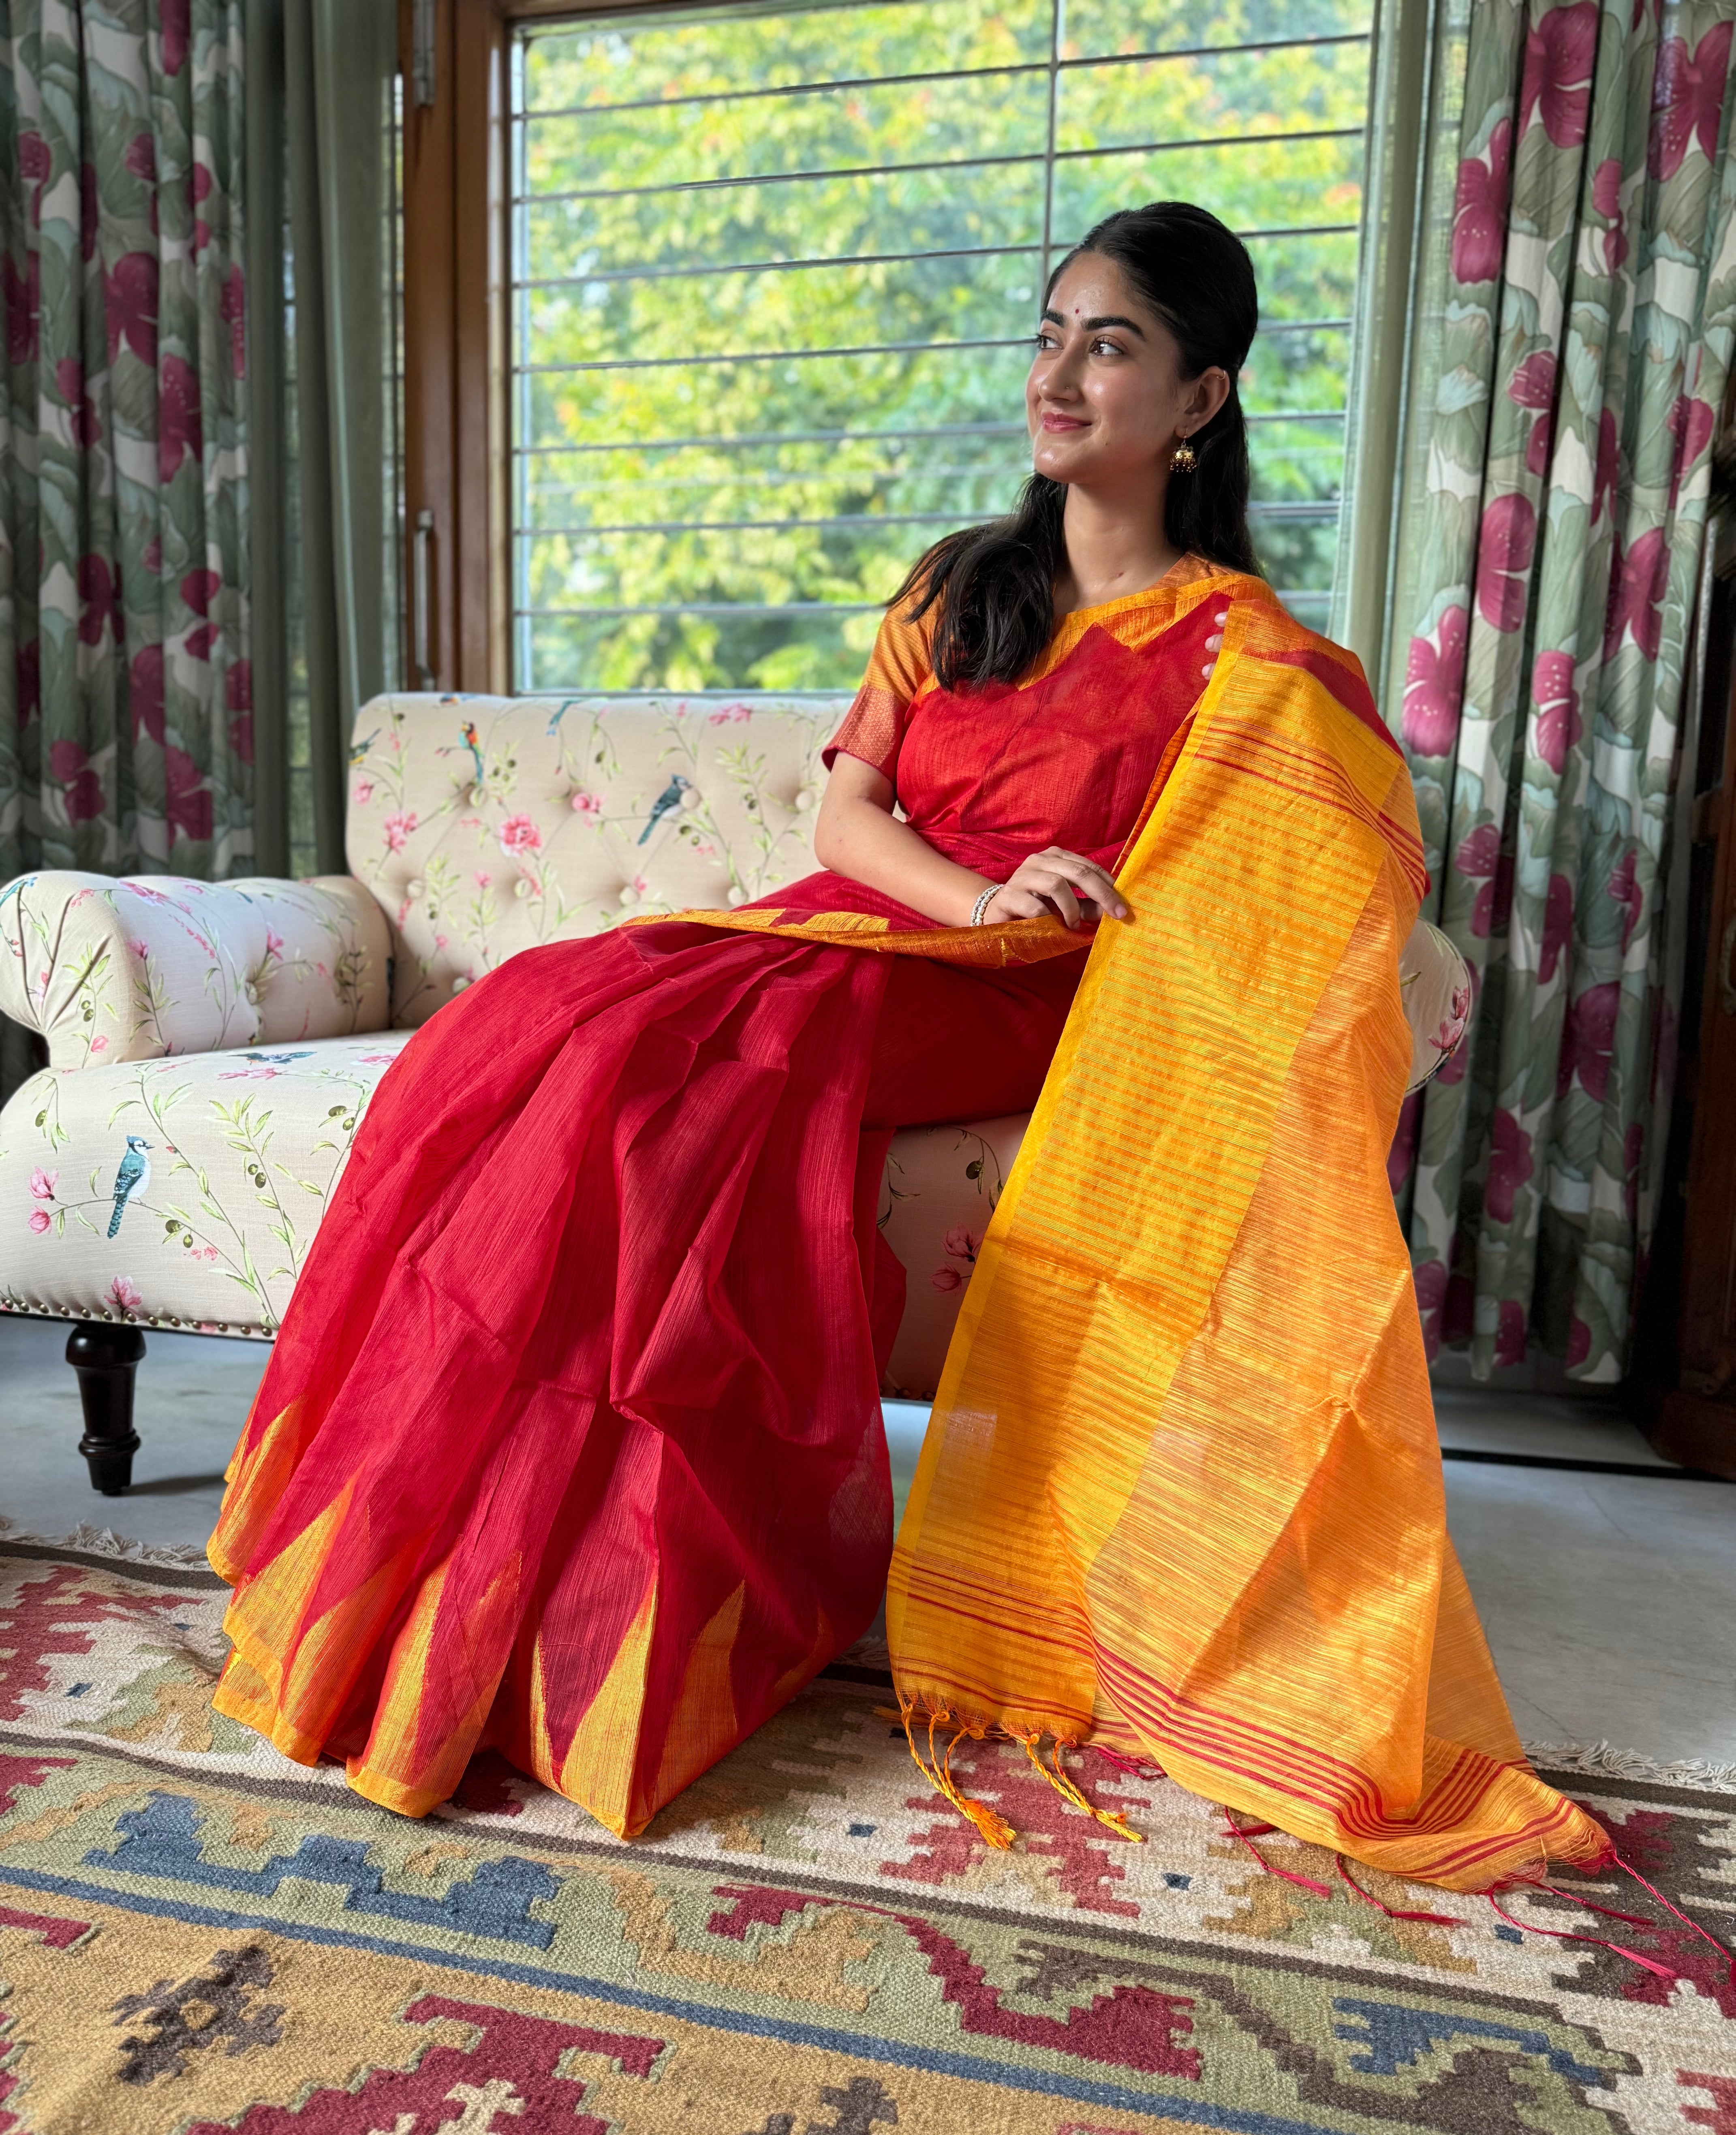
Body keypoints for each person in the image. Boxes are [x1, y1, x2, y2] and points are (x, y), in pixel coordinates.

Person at [208, 203, 1608, 1896]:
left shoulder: (1251, 658)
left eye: (1111, 344)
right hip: (892, 924)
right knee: (546, 1026)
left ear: (1201, 399)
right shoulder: (966, 588)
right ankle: (486, 1594)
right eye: (1050, 332)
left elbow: (1306, 881)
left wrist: (1044, 906)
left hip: (1024, 986)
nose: (1060, 371)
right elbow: (848, 812)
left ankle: (629, 1624)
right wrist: (963, 888)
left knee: (680, 1089)